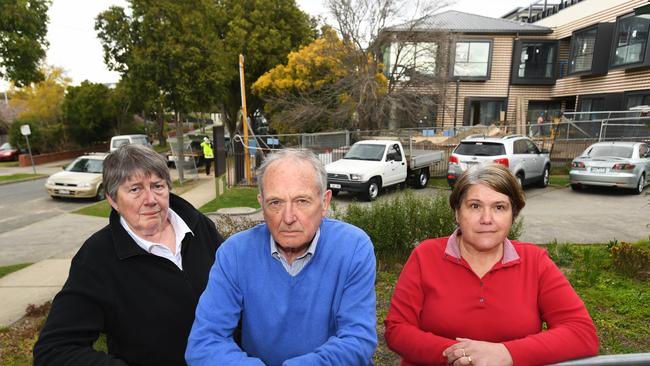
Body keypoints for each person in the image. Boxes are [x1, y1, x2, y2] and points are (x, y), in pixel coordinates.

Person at [384, 163, 598, 366]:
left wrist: (507, 353)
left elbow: (582, 333)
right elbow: (397, 330)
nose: (487, 219)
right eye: (475, 206)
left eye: (499, 207)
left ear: (512, 215)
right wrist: (461, 355)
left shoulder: (535, 262)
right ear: (457, 213)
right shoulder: (426, 255)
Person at [33, 144, 224, 366]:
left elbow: (239, 287)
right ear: (113, 200)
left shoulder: (198, 226)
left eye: (158, 186)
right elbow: (54, 351)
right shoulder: (97, 258)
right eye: (135, 189)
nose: (151, 199)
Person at [185, 149, 377, 366]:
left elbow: (358, 341)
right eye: (275, 202)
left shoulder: (353, 248)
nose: (288, 217)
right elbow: (204, 343)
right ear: (261, 203)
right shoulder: (235, 254)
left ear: (324, 202)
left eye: (302, 201)